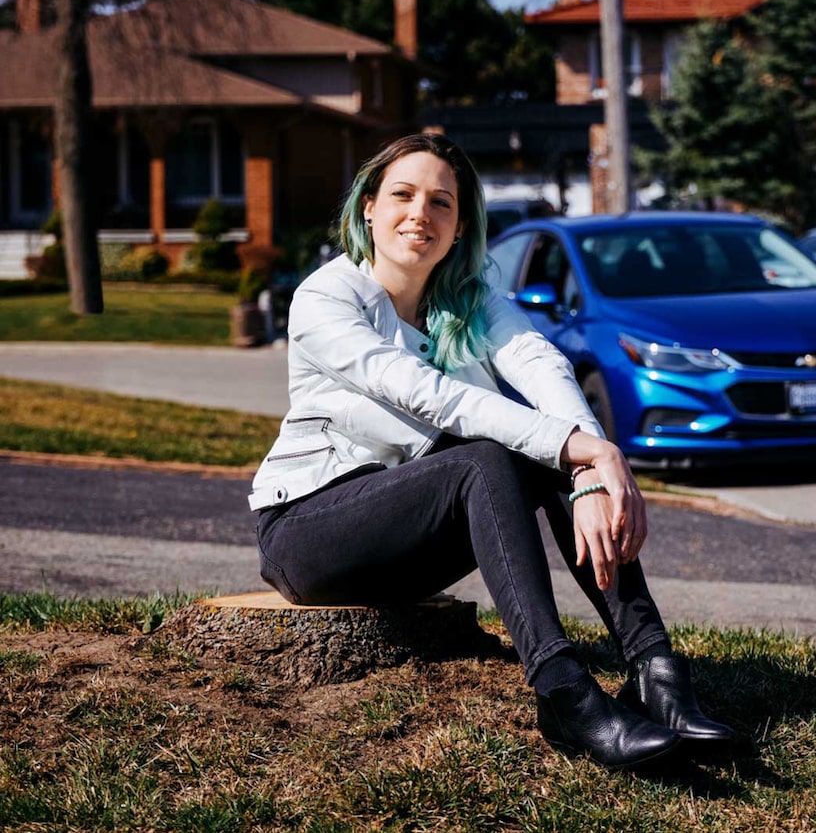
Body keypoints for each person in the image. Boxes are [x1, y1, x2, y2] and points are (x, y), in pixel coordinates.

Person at [248, 133, 735, 770]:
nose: (421, 212)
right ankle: (563, 691)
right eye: (403, 194)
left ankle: (654, 668)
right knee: (496, 452)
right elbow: (428, 395)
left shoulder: (471, 298)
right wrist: (581, 448)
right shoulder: (326, 297)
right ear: (368, 207)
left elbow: (540, 364)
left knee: (544, 445)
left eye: (441, 202)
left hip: (409, 537)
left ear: (460, 226)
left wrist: (592, 463)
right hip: (310, 531)